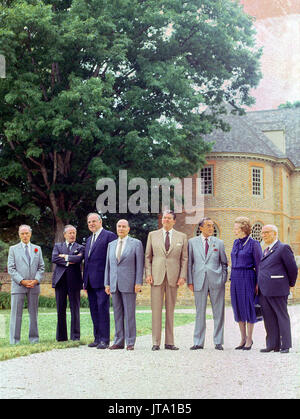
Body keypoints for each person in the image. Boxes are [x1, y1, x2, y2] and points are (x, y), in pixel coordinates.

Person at [145, 210, 188, 351]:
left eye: (169, 218)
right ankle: (155, 342)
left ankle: (169, 342)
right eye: (164, 218)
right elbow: (148, 257)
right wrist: (148, 273)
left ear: (174, 221)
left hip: (173, 277)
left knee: (171, 310)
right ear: (161, 220)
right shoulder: (153, 235)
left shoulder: (182, 237)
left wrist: (182, 276)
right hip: (156, 276)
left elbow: (184, 258)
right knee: (156, 310)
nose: (166, 220)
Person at [187, 217, 228, 350]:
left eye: (212, 225)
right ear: (201, 228)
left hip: (217, 282)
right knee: (200, 312)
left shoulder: (219, 243)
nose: (211, 228)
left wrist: (223, 279)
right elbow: (189, 264)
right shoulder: (192, 242)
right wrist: (190, 281)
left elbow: (224, 264)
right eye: (208, 226)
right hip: (199, 281)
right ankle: (198, 342)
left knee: (219, 312)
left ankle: (218, 342)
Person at [104, 219, 144, 350]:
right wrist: (107, 283)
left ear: (128, 229)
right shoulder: (111, 244)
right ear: (116, 228)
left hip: (129, 284)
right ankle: (118, 341)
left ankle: (130, 341)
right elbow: (108, 266)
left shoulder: (136, 244)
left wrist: (138, 282)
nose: (121, 228)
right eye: (119, 226)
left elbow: (140, 265)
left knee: (129, 313)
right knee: (117, 313)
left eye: (123, 226)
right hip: (114, 283)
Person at [258, 224, 298, 354]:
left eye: (266, 232)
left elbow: (292, 268)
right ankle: (272, 345)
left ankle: (285, 345)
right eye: (262, 233)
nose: (263, 235)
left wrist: (290, 284)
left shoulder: (283, 248)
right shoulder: (265, 250)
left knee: (281, 316)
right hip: (264, 290)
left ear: (275, 234)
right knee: (268, 318)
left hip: (278, 288)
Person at [83, 213, 117, 349]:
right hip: (90, 282)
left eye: (94, 221)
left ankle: (105, 339)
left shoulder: (109, 236)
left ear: (100, 222)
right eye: (89, 222)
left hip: (103, 281)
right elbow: (87, 262)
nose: (91, 224)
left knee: (103, 310)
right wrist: (85, 281)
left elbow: (112, 261)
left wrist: (109, 281)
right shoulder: (89, 239)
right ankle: (97, 338)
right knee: (94, 310)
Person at [7, 225, 45, 344]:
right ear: (19, 234)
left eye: (27, 233)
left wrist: (36, 280)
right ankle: (14, 340)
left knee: (33, 314)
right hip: (18, 286)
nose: (25, 236)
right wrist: (22, 281)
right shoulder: (13, 249)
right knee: (16, 315)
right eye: (22, 233)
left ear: (30, 234)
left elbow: (41, 267)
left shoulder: (37, 249)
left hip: (34, 286)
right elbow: (11, 269)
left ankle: (34, 339)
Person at [230, 217, 263, 350]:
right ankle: (242, 338)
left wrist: (258, 283)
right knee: (237, 306)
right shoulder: (235, 243)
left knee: (248, 306)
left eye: (236, 228)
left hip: (248, 276)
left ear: (244, 229)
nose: (234, 231)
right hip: (236, 277)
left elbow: (259, 265)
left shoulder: (254, 244)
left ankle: (250, 338)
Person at [51, 225, 84, 341]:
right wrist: (69, 260)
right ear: (64, 235)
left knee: (75, 309)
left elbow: (78, 259)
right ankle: (61, 337)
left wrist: (64, 257)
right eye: (70, 233)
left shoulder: (80, 247)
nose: (72, 235)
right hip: (60, 281)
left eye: (74, 233)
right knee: (60, 309)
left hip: (74, 282)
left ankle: (75, 336)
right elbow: (54, 258)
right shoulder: (58, 246)